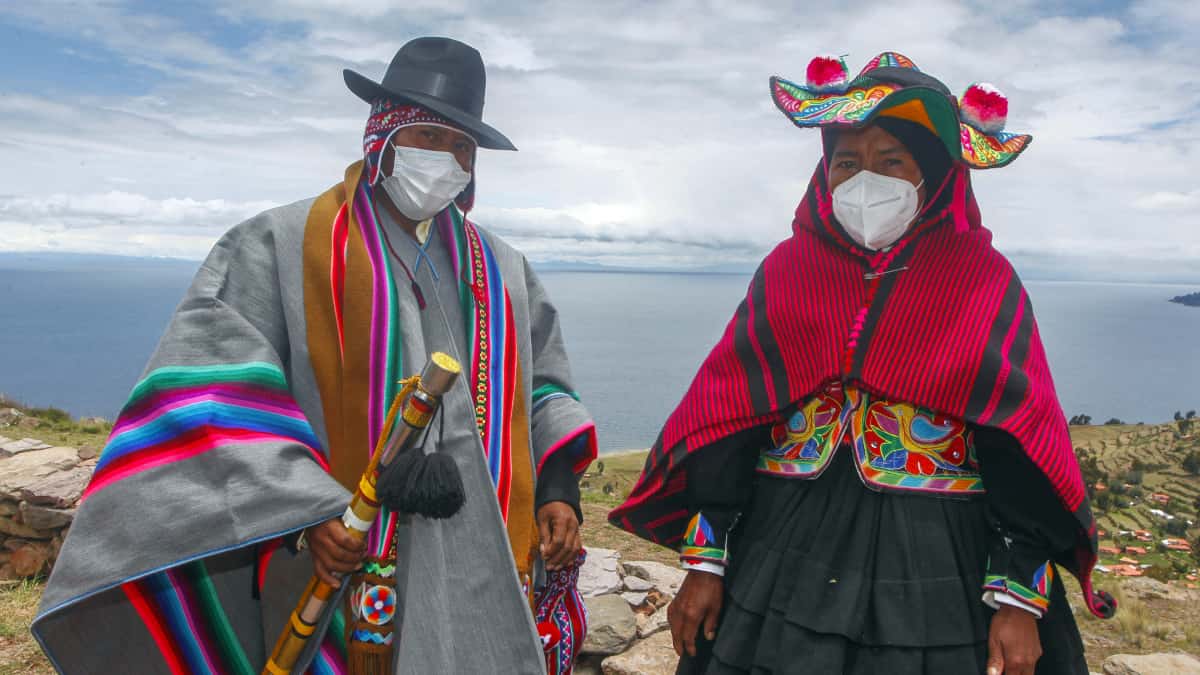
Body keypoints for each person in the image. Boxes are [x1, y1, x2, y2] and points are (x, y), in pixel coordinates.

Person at [34, 37, 597, 675]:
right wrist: (307, 511)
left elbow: (546, 386)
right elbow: (215, 394)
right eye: (429, 138)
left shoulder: (503, 270)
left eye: (462, 147)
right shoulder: (279, 245)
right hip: (335, 551)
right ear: (384, 137)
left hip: (481, 547)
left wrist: (558, 489)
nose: (448, 159)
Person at [609, 52, 1115, 675]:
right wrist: (706, 563)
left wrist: (1018, 601)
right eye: (847, 163)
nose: (863, 181)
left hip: (938, 562)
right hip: (780, 547)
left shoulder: (982, 281)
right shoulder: (789, 270)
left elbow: (1019, 442)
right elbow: (730, 420)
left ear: (936, 175)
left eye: (891, 162)